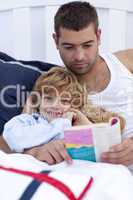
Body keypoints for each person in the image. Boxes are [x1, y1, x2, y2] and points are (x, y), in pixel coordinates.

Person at [1, 1, 133, 168]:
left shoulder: (126, 61)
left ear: (98, 37)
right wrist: (35, 152)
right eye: (69, 47)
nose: (79, 56)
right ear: (56, 41)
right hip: (103, 177)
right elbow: (7, 141)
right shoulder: (54, 89)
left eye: (87, 45)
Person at [2, 66, 124, 156]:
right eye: (49, 99)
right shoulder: (29, 121)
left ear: (74, 105)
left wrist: (85, 122)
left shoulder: (74, 125)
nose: (56, 105)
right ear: (38, 101)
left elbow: (105, 149)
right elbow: (13, 138)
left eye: (64, 101)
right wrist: (61, 123)